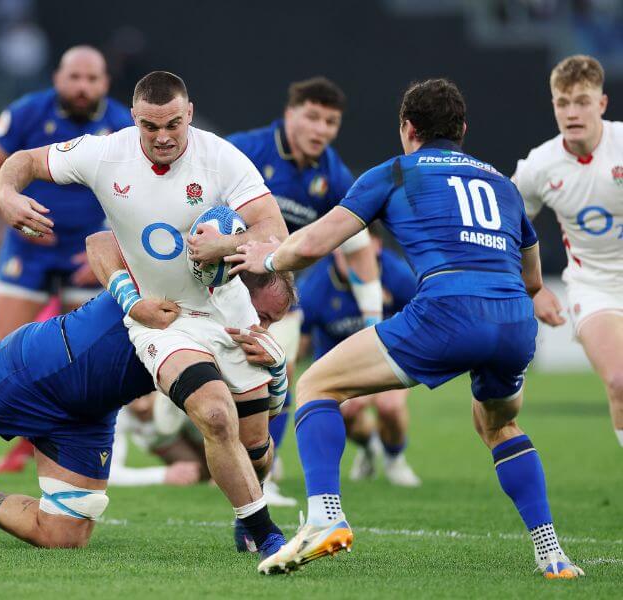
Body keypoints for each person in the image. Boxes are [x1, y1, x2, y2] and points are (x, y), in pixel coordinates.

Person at [230, 78, 583, 579]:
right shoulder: (500, 183)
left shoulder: (394, 171)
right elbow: (530, 276)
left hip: (448, 312)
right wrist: (540, 300)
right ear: (462, 129)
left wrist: (267, 254)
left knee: (315, 385)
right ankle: (552, 554)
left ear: (407, 129)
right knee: (499, 424)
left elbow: (315, 244)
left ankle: (324, 518)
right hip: (514, 322)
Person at [0, 70, 293, 562]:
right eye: (150, 126)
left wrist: (226, 243)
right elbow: (22, 161)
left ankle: (248, 510)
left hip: (230, 314)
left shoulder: (220, 157)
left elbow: (274, 230)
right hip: (162, 319)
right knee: (215, 415)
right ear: (134, 119)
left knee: (256, 444)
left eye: (173, 124)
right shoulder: (105, 153)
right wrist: (7, 194)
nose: (162, 136)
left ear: (189, 113)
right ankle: (267, 534)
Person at [0, 269, 294, 549]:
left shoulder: (236, 344)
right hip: (37, 371)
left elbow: (255, 437)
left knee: (63, 536)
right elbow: (102, 239)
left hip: (88, 416)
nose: (261, 328)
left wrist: (275, 373)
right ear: (235, 290)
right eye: (261, 316)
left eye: (271, 323)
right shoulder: (172, 278)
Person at [0, 46, 133, 473]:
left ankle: (58, 441)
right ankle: (23, 435)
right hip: (28, 247)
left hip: (90, 250)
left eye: (92, 79)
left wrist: (111, 247)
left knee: (80, 357)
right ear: (57, 77)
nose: (82, 87)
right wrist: (10, 212)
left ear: (105, 83)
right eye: (74, 77)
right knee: (7, 347)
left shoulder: (122, 123)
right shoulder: (27, 112)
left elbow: (140, 195)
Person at [227, 77, 382, 513]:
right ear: (290, 114)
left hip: (279, 299)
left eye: (330, 121)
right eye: (312, 117)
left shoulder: (334, 175)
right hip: (216, 289)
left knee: (276, 377)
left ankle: (263, 475)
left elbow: (358, 250)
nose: (320, 129)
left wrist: (373, 320)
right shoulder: (245, 152)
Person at [512, 55, 623, 448]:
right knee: (619, 381)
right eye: (563, 103)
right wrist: (535, 289)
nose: (572, 112)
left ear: (602, 104)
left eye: (582, 101)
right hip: (594, 286)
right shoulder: (540, 166)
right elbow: (507, 228)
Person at [298, 232, 420, 487]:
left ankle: (395, 459)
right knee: (347, 411)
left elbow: (422, 320)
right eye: (345, 249)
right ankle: (370, 447)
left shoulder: (397, 275)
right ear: (334, 249)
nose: (351, 258)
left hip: (390, 358)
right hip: (340, 367)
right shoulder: (315, 286)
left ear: (375, 245)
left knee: (390, 407)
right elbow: (301, 341)